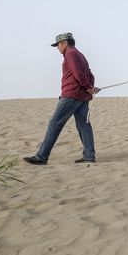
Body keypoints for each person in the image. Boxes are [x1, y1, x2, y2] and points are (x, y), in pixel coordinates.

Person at [24, 33, 100, 165]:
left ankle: (41, 157)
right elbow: (90, 74)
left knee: (55, 124)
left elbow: (78, 73)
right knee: (84, 126)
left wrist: (89, 87)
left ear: (65, 42)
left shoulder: (70, 54)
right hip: (82, 97)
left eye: (58, 44)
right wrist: (90, 87)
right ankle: (89, 156)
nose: (57, 48)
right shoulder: (80, 55)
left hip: (71, 95)